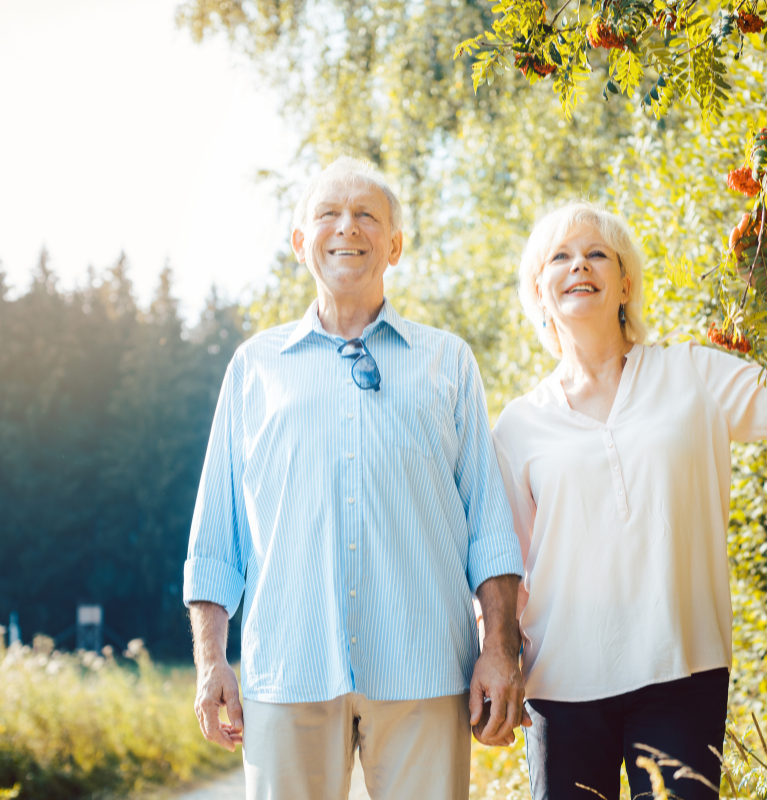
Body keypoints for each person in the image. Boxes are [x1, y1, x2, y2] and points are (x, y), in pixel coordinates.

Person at [183, 156, 527, 800]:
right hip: (288, 666)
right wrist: (211, 662)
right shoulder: (254, 368)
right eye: (328, 214)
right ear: (299, 242)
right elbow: (215, 539)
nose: (348, 227)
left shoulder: (447, 361)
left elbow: (488, 527)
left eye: (367, 215)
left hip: (425, 666)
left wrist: (500, 651)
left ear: (394, 245)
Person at [491, 201, 767, 800]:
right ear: (539, 290)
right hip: (561, 685)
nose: (579, 264)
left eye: (596, 254)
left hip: (682, 670)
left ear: (625, 283)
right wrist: (497, 663)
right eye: (560, 256)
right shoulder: (518, 425)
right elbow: (508, 570)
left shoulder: (691, 375)